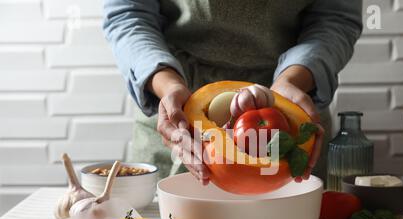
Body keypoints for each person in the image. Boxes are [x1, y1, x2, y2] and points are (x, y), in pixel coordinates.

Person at [103, 0, 362, 185]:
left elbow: (335, 18)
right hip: (175, 104)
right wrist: (169, 85)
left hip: (289, 99)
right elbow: (129, 14)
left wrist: (292, 80)